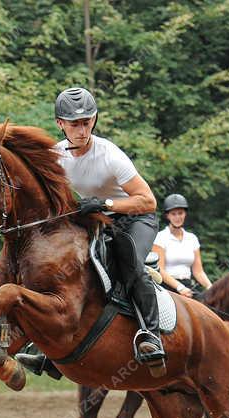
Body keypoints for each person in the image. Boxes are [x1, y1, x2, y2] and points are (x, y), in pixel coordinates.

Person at [52, 87, 164, 370]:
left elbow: (148, 201)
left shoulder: (110, 155)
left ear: (95, 120)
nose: (82, 129)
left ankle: (152, 334)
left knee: (130, 263)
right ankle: (47, 345)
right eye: (74, 124)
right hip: (97, 222)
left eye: (87, 121)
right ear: (60, 124)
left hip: (135, 219)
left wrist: (106, 203)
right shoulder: (55, 157)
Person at [153, 194, 211, 297]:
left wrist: (211, 288)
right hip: (167, 287)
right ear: (167, 216)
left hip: (188, 287)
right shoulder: (160, 237)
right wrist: (179, 287)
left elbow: (198, 272)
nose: (177, 217)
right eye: (173, 214)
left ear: (185, 214)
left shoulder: (192, 238)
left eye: (180, 213)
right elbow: (159, 269)